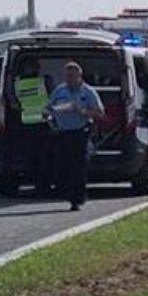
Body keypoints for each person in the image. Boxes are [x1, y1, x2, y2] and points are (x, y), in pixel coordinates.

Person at [46, 62, 105, 211]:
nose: (69, 79)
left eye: (72, 75)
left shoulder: (88, 92)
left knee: (78, 167)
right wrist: (48, 113)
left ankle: (76, 199)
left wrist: (82, 111)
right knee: (62, 166)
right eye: (67, 75)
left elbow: (100, 113)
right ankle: (65, 191)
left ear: (80, 76)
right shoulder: (59, 91)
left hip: (80, 133)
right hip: (62, 133)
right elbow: (48, 108)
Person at [14, 61, 53, 193]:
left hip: (26, 122)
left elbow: (15, 102)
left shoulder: (18, 83)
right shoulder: (43, 81)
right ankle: (44, 184)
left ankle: (36, 182)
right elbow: (52, 97)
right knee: (45, 157)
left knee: (32, 157)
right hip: (43, 123)